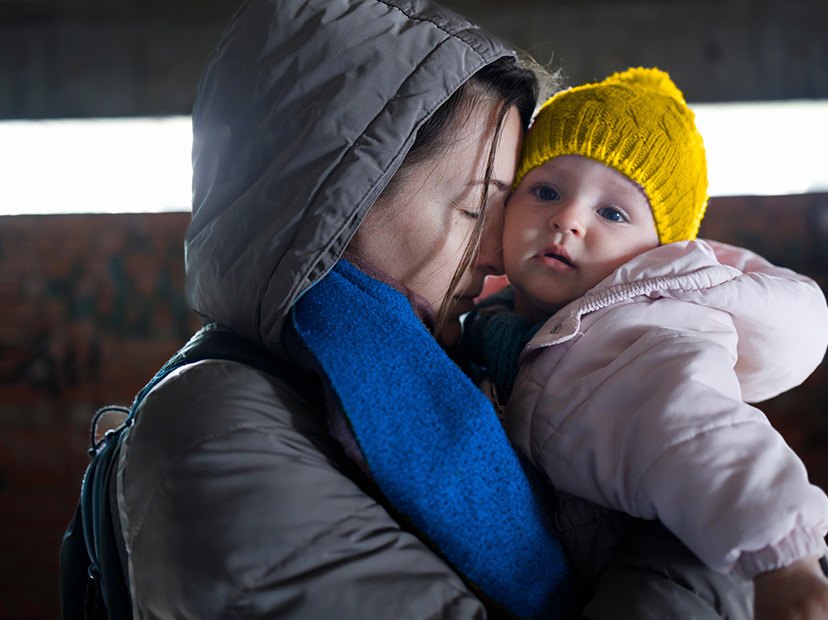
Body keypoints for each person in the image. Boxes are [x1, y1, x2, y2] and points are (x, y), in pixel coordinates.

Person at [112, 1, 581, 618]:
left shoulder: (416, 383)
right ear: (339, 197)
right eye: (474, 209)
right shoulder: (221, 434)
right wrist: (700, 538)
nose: (497, 254)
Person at [463, 67, 828, 619]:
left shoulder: (642, 337)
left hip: (711, 556)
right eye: (546, 191)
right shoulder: (489, 327)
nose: (568, 219)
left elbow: (708, 434)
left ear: (654, 254)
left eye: (613, 212)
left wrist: (786, 566)